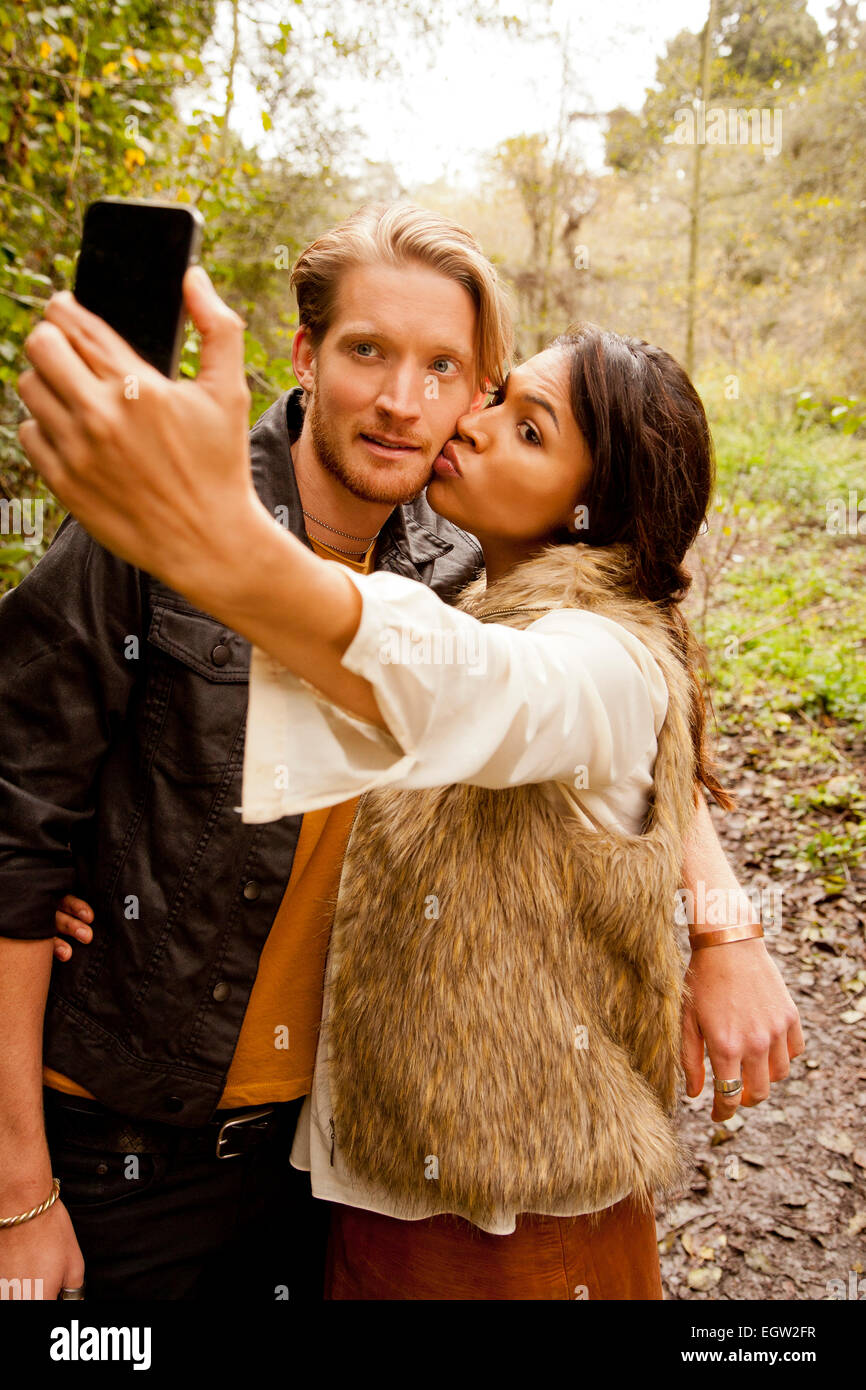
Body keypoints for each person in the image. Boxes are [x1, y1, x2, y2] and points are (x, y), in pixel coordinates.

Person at [15, 227, 804, 1299]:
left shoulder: (477, 584)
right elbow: (19, 827)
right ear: (304, 354)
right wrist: (20, 1186)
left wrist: (724, 926)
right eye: (366, 352)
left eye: (450, 373)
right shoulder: (443, 561)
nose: (411, 405)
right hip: (161, 1147)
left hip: (403, 1178)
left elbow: (517, 689)